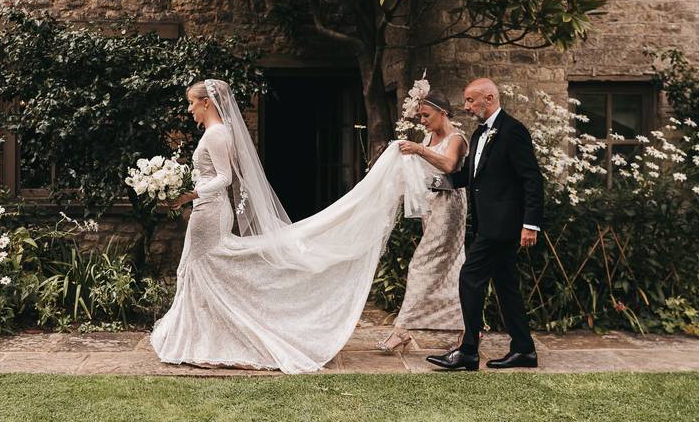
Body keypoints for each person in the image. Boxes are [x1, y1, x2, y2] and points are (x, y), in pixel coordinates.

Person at [150, 79, 430, 374]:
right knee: (203, 270)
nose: (189, 108)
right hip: (206, 210)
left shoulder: (217, 134)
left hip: (209, 212)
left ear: (206, 102)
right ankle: (201, 338)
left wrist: (190, 194)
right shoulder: (214, 132)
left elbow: (225, 178)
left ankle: (211, 339)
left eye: (192, 102)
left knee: (206, 269)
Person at [426, 78, 544, 371]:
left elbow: (532, 179)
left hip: (502, 224)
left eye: (470, 100)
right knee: (506, 287)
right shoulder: (480, 134)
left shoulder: (513, 131)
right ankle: (524, 350)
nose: (465, 107)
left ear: (489, 99)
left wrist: (531, 224)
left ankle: (467, 351)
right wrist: (436, 182)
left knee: (469, 277)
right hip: (486, 222)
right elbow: (471, 176)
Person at [377, 90, 468, 352]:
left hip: (450, 207)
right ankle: (469, 328)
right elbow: (424, 171)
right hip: (432, 205)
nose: (422, 122)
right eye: (419, 117)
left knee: (420, 264)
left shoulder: (456, 138)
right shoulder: (429, 137)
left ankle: (401, 330)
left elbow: (449, 166)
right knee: (453, 267)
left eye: (426, 116)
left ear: (443, 112)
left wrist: (417, 149)